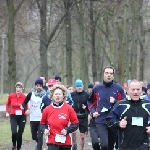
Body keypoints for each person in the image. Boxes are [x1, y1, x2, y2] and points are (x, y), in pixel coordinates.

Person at [88, 66, 126, 150]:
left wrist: (115, 101)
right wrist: (93, 111)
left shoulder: (118, 88)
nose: (109, 75)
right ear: (103, 75)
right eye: (107, 73)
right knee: (104, 145)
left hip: (113, 120)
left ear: (113, 76)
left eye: (111, 73)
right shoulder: (97, 88)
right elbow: (90, 102)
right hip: (101, 119)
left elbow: (124, 103)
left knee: (110, 146)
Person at [107, 80, 150, 150]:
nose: (135, 92)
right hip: (125, 146)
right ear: (128, 90)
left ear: (141, 90)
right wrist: (118, 123)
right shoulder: (120, 105)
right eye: (133, 89)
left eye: (138, 89)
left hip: (143, 145)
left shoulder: (148, 104)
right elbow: (109, 120)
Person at [40, 84, 79, 150]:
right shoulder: (47, 109)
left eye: (60, 94)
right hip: (52, 140)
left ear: (63, 96)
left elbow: (75, 124)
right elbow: (42, 124)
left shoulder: (69, 108)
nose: (57, 96)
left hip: (66, 141)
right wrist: (44, 130)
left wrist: (67, 130)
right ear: (52, 96)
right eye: (56, 94)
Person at [22, 78, 46, 150]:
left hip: (42, 119)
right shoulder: (31, 94)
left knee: (40, 137)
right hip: (33, 118)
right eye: (37, 85)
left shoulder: (45, 94)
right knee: (34, 137)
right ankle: (38, 143)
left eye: (40, 85)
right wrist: (26, 109)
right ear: (35, 86)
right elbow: (24, 103)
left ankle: (39, 147)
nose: (39, 87)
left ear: (42, 86)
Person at [6, 82, 27, 150]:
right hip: (13, 116)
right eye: (17, 87)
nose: (18, 89)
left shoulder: (24, 97)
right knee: (14, 132)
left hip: (22, 116)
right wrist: (7, 112)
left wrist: (24, 108)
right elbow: (7, 104)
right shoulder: (11, 96)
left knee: (20, 133)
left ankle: (19, 147)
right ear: (15, 88)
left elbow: (26, 107)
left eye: (20, 87)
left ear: (22, 89)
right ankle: (14, 145)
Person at [71, 79, 89, 150]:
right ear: (76, 87)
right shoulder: (72, 95)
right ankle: (74, 144)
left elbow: (91, 105)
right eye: (78, 86)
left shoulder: (87, 95)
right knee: (73, 132)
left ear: (83, 86)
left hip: (83, 116)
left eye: (80, 86)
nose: (79, 87)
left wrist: (86, 107)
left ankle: (81, 148)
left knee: (82, 136)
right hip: (74, 116)